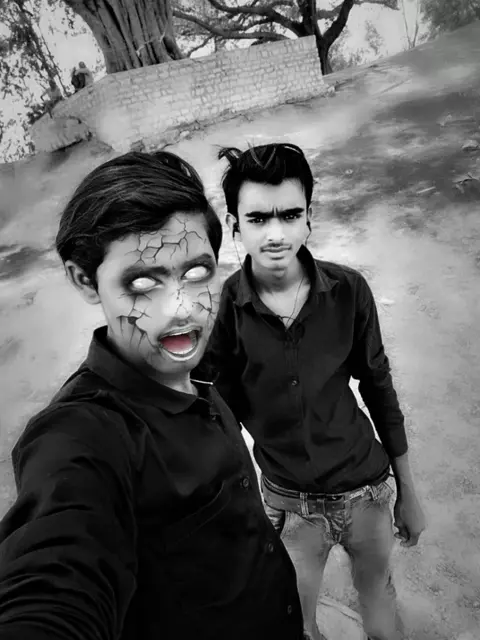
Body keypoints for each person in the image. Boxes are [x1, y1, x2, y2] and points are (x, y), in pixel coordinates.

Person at [0, 151, 304, 640]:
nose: (181, 310)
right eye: (143, 283)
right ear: (84, 280)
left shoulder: (199, 369)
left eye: (197, 274)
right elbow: (53, 577)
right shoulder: (84, 436)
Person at [199, 143, 426, 640]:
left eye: (289, 215)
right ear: (235, 225)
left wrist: (408, 492)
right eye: (258, 218)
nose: (275, 234)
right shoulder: (223, 314)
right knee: (294, 625)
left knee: (381, 610)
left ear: (309, 219)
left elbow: (379, 387)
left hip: (367, 492)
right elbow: (214, 418)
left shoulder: (349, 291)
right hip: (289, 505)